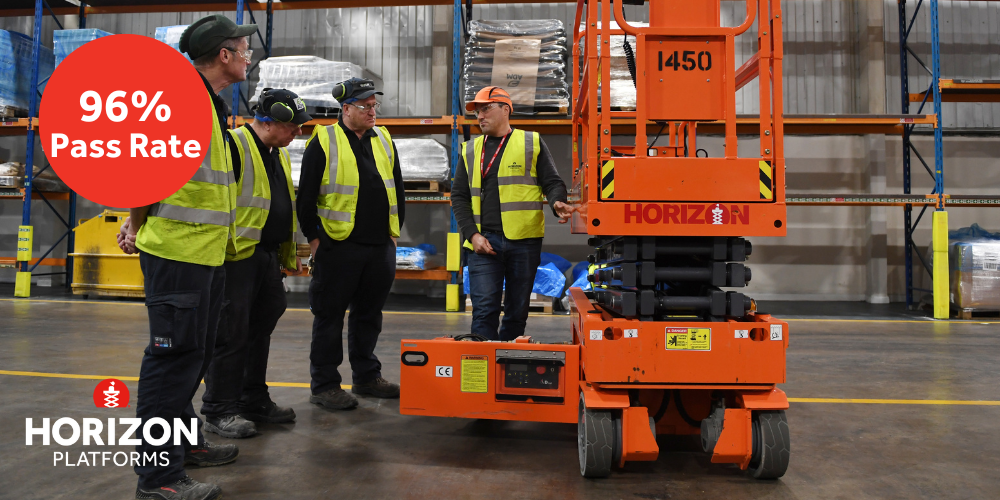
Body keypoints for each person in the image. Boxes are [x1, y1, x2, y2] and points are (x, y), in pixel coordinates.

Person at [116, 14, 256, 500]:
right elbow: (142, 168)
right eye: (243, 50)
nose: (248, 57)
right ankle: (158, 480)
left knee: (191, 359)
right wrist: (136, 220)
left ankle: (187, 445)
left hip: (203, 253)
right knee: (170, 363)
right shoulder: (179, 100)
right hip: (177, 253)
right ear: (224, 55)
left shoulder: (209, 104)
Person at [199, 88, 310, 439]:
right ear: (272, 120)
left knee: (260, 327)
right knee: (230, 333)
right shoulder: (234, 144)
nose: (299, 132)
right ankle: (219, 409)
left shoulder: (278, 152)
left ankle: (252, 398)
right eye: (294, 126)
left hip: (266, 256)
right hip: (237, 256)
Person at [296, 78, 406, 410]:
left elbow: (397, 187)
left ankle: (366, 376)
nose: (373, 112)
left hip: (378, 246)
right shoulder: (324, 140)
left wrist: (394, 232)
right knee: (329, 316)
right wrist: (315, 239)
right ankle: (325, 384)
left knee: (369, 315)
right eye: (366, 106)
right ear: (346, 109)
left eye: (375, 106)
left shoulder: (383, 138)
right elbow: (306, 197)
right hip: (338, 246)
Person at [451, 86, 574, 341]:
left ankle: (507, 360)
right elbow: (459, 196)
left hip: (524, 242)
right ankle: (482, 371)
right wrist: (472, 235)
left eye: (486, 109)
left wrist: (557, 202)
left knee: (517, 312)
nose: (480, 116)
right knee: (484, 312)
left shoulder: (531, 142)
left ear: (505, 110)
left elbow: (552, 182)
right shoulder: (470, 150)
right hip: (483, 242)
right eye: (477, 112)